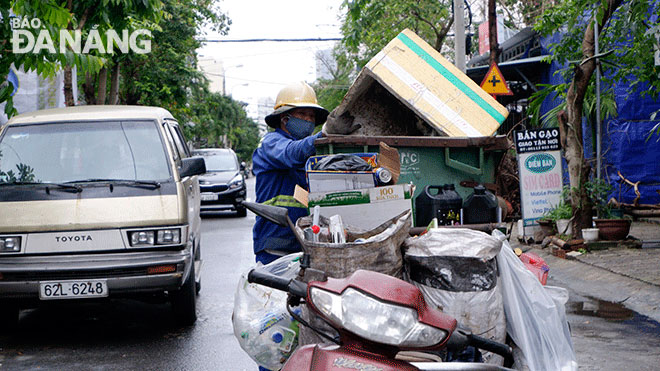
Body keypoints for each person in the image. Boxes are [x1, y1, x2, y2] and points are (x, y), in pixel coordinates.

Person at [251, 82, 329, 266]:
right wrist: (324, 135)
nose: (308, 120)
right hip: (275, 243)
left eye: (311, 116)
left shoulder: (311, 150)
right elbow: (292, 153)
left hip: (306, 242)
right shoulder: (271, 143)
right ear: (284, 119)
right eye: (302, 114)